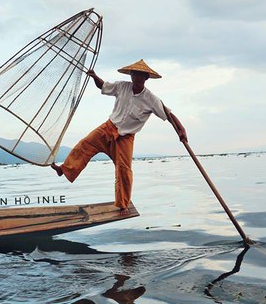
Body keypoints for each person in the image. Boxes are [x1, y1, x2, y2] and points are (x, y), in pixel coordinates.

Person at [51, 59, 187, 212]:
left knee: (124, 170)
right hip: (108, 128)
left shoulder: (151, 99)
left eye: (139, 75)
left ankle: (123, 204)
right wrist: (95, 76)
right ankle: (64, 169)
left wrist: (181, 129)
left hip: (126, 137)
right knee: (85, 144)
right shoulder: (123, 86)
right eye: (133, 74)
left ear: (146, 78)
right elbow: (104, 86)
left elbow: (168, 115)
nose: (135, 78)